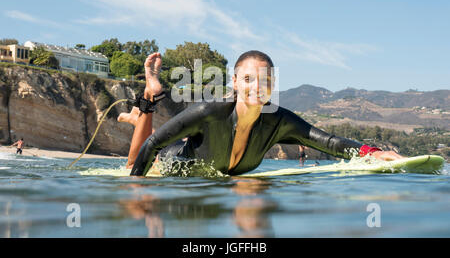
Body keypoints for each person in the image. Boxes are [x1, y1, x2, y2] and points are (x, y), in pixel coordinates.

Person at [119, 51, 404, 177]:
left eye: (265, 80)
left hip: (210, 167)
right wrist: (137, 193)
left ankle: (137, 116)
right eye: (248, 79)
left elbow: (329, 142)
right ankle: (149, 95)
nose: (257, 87)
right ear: (234, 81)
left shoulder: (280, 121)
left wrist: (374, 152)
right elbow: (152, 144)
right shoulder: (210, 111)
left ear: (274, 84)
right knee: (133, 161)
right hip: (172, 161)